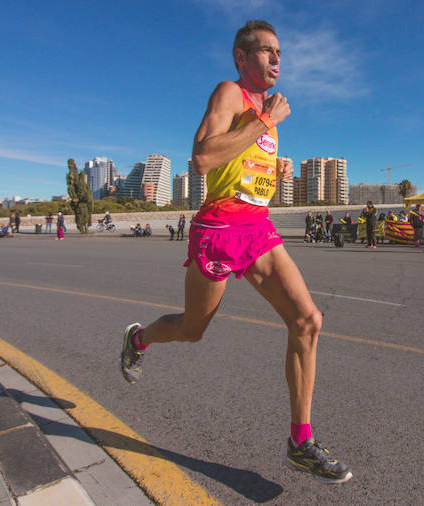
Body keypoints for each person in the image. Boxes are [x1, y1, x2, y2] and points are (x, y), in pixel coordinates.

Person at [117, 20, 350, 484]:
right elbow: (202, 157)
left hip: (257, 228)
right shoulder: (230, 93)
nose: (276, 59)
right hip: (219, 229)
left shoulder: (266, 113)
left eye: (279, 52)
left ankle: (300, 443)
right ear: (242, 58)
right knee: (191, 329)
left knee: (308, 320)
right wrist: (265, 122)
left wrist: (276, 169)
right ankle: (138, 340)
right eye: (265, 51)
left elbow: (243, 165)